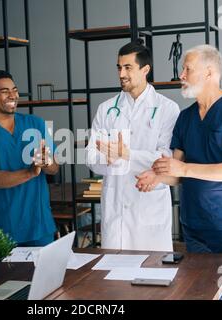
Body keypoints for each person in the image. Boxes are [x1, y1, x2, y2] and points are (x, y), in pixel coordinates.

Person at [136, 45, 222, 300]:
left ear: (209, 72)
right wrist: (157, 176)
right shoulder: (185, 118)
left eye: (187, 69)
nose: (181, 74)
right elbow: (176, 173)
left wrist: (183, 168)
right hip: (193, 225)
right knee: (202, 291)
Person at [85, 39, 180, 251]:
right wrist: (108, 160)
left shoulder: (168, 109)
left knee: (154, 273)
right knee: (114, 277)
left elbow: (166, 158)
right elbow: (91, 157)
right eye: (119, 67)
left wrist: (126, 154)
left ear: (145, 69)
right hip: (116, 207)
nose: (121, 74)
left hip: (149, 205)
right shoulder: (106, 109)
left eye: (128, 67)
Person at [0, 70, 59, 246]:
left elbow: (55, 168)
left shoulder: (35, 123)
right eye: (5, 91)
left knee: (46, 274)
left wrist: (47, 163)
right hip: (3, 230)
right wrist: (30, 172)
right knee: (8, 275)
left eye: (14, 90)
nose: (13, 95)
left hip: (40, 226)